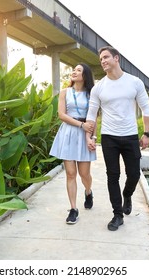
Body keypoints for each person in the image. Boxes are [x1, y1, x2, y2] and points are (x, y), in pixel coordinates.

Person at [85, 46, 149, 231]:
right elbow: (92, 114)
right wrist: (90, 136)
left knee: (134, 174)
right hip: (109, 138)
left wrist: (147, 133)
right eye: (101, 59)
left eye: (106, 57)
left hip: (130, 136)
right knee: (112, 176)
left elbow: (146, 108)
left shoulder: (135, 82)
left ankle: (127, 194)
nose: (103, 61)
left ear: (116, 58)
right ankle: (117, 214)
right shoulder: (99, 87)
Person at [50, 63, 96, 224]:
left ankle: (88, 191)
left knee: (84, 174)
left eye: (78, 70)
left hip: (85, 134)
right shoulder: (65, 92)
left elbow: (92, 119)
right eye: (74, 70)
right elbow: (61, 115)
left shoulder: (91, 94)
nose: (74, 72)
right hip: (68, 133)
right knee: (70, 173)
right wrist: (80, 125)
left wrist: (92, 137)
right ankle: (73, 209)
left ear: (85, 76)